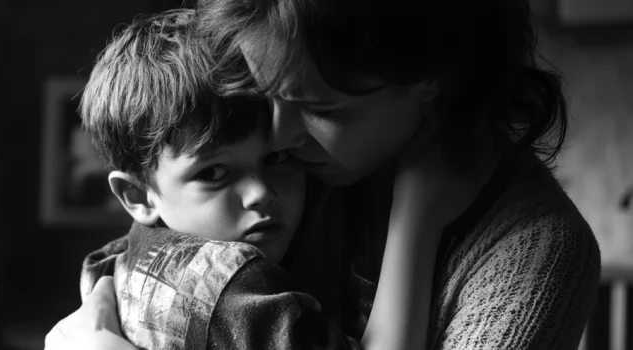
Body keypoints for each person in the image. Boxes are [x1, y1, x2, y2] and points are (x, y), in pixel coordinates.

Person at [46, 0, 601, 349]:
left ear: (432, 76)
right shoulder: (281, 197)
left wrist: (416, 219)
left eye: (319, 108)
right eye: (270, 93)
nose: (281, 137)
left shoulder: (532, 252)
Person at [54, 9, 440, 350]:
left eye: (277, 158)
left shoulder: (118, 259)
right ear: (137, 196)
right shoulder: (233, 288)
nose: (260, 193)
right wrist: (417, 212)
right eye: (214, 173)